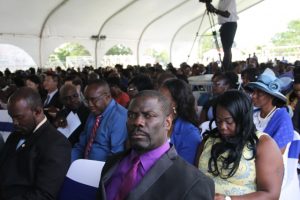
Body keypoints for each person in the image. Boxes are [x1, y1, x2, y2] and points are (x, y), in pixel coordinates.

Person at [98, 90, 214, 200]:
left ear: (167, 123)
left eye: (148, 115)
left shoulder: (193, 183)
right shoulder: (112, 163)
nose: (138, 122)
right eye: (132, 115)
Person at [197, 90, 283, 199]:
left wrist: (228, 199)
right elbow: (194, 177)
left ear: (242, 119)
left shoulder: (263, 144)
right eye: (218, 121)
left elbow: (271, 194)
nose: (222, 126)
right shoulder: (209, 140)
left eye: (229, 121)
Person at [0, 87, 71, 199]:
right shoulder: (17, 133)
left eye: (19, 117)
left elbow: (44, 195)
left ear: (37, 112)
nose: (14, 123)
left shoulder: (56, 144)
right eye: (12, 117)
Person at [71, 79, 128, 162]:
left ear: (107, 97)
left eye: (94, 100)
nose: (90, 105)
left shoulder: (120, 117)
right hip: (83, 164)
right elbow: (81, 145)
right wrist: (68, 162)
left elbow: (116, 156)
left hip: (102, 170)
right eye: (87, 100)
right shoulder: (95, 112)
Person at [246, 68, 294, 153]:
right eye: (254, 92)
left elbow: (278, 152)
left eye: (259, 93)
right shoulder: (252, 113)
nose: (253, 96)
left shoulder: (282, 118)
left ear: (271, 96)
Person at [159, 79, 201, 164]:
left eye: (161, 98)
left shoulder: (189, 133)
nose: (156, 101)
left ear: (175, 104)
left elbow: (184, 169)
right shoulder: (155, 122)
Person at [206, 0, 238, 71]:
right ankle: (227, 69)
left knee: (227, 49)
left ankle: (226, 69)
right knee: (227, 49)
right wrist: (212, 9)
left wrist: (214, 10)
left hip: (230, 24)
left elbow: (227, 14)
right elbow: (221, 13)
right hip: (226, 25)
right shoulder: (221, 1)